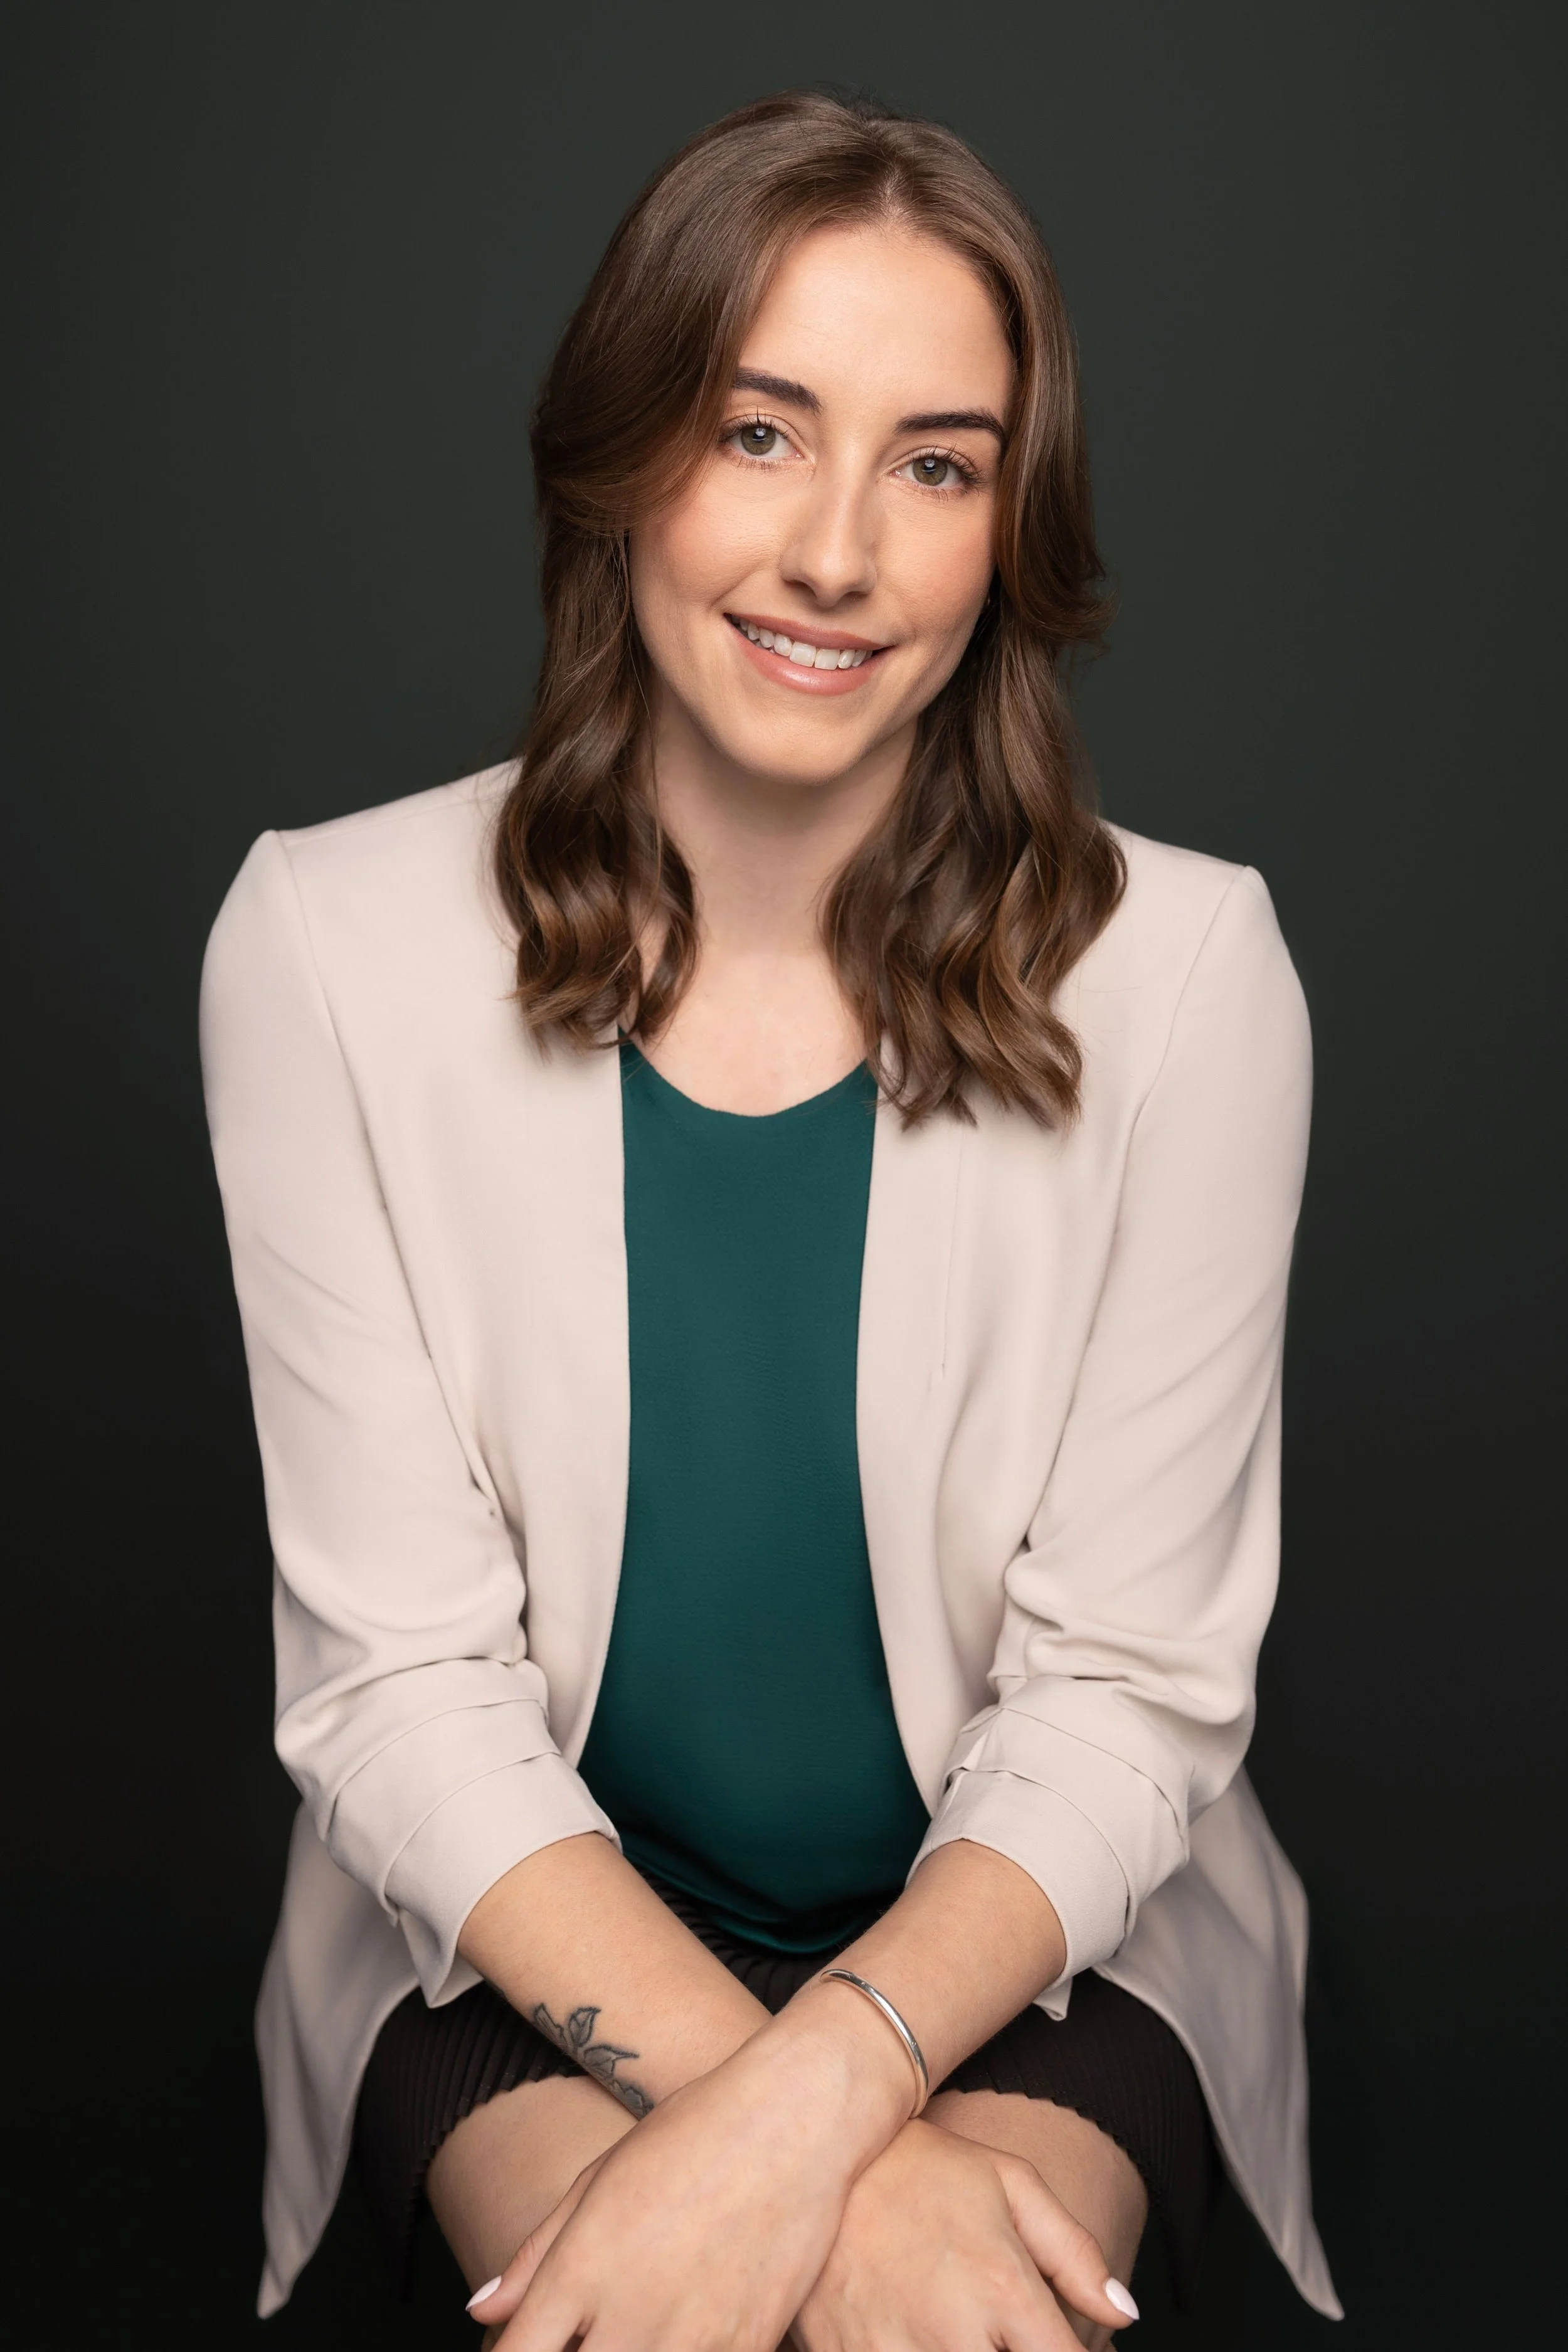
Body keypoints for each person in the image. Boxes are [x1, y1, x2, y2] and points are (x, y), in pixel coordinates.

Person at [202, 90, 1340, 2350]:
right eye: (756, 430)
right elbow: (402, 1686)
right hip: (520, 1935)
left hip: (1034, 1940)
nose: (836, 550)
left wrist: (838, 2086)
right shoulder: (324, 941)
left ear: (1008, 529)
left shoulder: (1191, 976)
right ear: (620, 451)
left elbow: (1124, 1692)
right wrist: (795, 2132)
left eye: (936, 461)